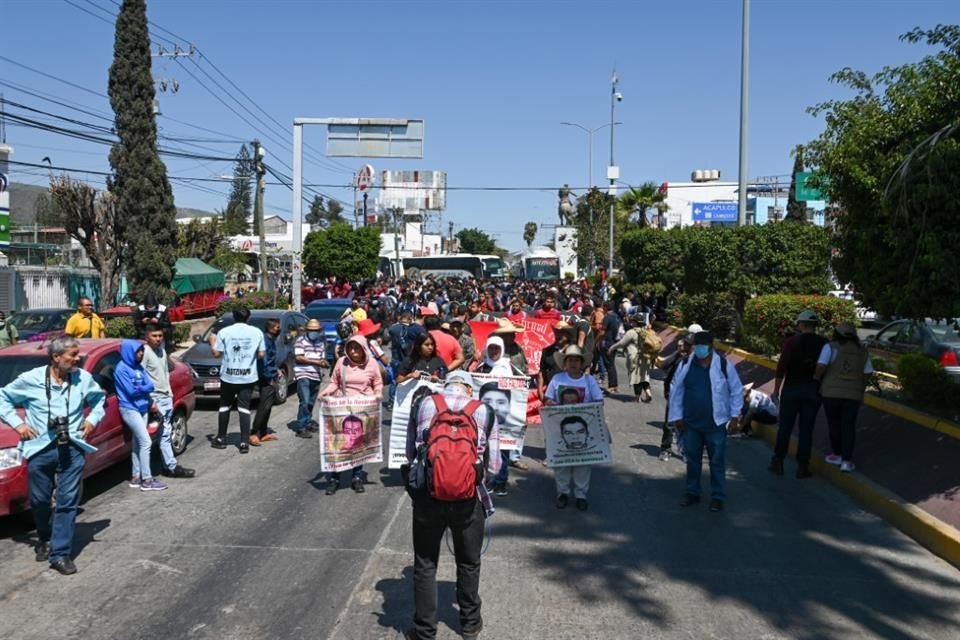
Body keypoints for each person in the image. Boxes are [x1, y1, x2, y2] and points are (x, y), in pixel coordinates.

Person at [404, 370, 498, 640]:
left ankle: (425, 631)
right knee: (469, 562)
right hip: (468, 499)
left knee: (425, 562)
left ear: (445, 386)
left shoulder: (425, 403)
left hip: (428, 497)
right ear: (470, 389)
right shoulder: (484, 410)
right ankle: (469, 625)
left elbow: (411, 452)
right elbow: (494, 466)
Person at [0, 335, 106, 575]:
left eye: (77, 353)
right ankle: (45, 538)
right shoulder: (31, 380)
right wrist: (19, 425)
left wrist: (91, 420)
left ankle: (60, 554)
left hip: (73, 447)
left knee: (67, 501)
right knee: (39, 500)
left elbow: (99, 400)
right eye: (72, 355)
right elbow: (2, 398)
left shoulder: (83, 378)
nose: (77, 358)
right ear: (56, 358)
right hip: (40, 448)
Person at [668, 331, 743, 513]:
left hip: (715, 424)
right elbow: (676, 390)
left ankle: (718, 496)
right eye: (696, 345)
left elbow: (736, 390)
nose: (699, 349)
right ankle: (692, 492)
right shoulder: (686, 364)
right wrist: (677, 416)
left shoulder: (724, 365)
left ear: (711, 346)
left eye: (702, 345)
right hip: (691, 424)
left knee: (716, 461)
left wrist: (734, 417)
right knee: (692, 460)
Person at [319, 334, 383, 494]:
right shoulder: (342, 362)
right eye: (350, 348)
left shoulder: (372, 364)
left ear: (363, 349)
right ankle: (335, 477)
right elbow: (334, 382)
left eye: (357, 348)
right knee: (339, 441)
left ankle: (357, 477)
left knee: (358, 442)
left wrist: (378, 394)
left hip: (363, 408)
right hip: (343, 406)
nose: (353, 351)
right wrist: (325, 393)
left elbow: (378, 383)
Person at [544, 345, 604, 511]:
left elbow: (599, 401)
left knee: (583, 463)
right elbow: (548, 399)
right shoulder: (557, 379)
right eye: (570, 360)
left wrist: (584, 408)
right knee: (561, 461)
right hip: (560, 427)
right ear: (565, 362)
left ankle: (581, 495)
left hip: (583, 426)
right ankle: (562, 493)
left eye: (576, 360)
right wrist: (555, 404)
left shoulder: (589, 380)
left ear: (581, 362)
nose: (573, 363)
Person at [769, 310, 828, 479]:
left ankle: (778, 461)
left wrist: (776, 391)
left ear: (800, 324)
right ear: (815, 326)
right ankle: (802, 466)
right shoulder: (824, 343)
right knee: (806, 430)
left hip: (791, 389)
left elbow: (781, 368)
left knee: (785, 428)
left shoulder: (791, 342)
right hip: (813, 390)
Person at [815, 322, 872, 472]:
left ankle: (837, 454)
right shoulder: (862, 351)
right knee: (848, 426)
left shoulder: (830, 347)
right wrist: (860, 386)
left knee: (834, 423)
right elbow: (867, 372)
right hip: (853, 394)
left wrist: (817, 378)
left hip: (831, 393)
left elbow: (821, 366)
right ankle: (846, 461)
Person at [140, 323, 195, 478]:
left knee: (165, 433)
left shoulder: (161, 351)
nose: (158, 339)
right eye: (154, 336)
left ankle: (168, 466)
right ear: (147, 337)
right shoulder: (144, 353)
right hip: (154, 399)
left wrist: (169, 395)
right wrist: (151, 402)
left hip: (165, 397)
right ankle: (149, 471)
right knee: (153, 436)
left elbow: (165, 374)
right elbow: (141, 378)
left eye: (160, 336)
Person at [474, 336, 526, 497]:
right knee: (485, 451)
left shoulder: (508, 368)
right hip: (485, 418)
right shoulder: (481, 368)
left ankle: (501, 482)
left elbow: (519, 389)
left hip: (504, 423)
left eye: (497, 348)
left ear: (502, 350)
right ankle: (487, 481)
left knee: (503, 451)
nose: (494, 352)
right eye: (491, 349)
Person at [209, 305, 265, 453]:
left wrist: (211, 341)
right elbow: (261, 354)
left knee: (224, 406)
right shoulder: (257, 332)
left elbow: (216, 354)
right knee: (244, 408)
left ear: (234, 317)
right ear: (248, 317)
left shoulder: (224, 332)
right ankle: (243, 442)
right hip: (247, 376)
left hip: (228, 377)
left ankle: (221, 438)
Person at [115, 339, 166, 492]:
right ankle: (147, 479)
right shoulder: (121, 369)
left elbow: (150, 385)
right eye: (138, 351)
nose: (141, 354)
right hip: (130, 409)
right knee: (146, 442)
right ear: (129, 351)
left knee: (137, 444)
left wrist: (141, 388)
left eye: (142, 351)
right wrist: (143, 388)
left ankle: (136, 476)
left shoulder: (138, 367)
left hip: (143, 407)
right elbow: (131, 391)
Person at [658, 332, 694, 460]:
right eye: (687, 344)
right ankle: (665, 449)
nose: (688, 347)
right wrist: (677, 354)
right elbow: (663, 365)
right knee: (669, 424)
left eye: (690, 345)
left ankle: (684, 450)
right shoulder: (680, 358)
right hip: (674, 396)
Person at [293, 319, 329, 439]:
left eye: (316, 331)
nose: (314, 332)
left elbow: (322, 359)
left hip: (316, 375)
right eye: (311, 330)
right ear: (307, 330)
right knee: (305, 400)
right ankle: (301, 427)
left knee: (311, 402)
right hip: (303, 374)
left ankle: (308, 421)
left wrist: (324, 363)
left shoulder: (320, 343)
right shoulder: (300, 341)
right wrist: (316, 362)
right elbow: (299, 358)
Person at [607, 315, 653, 403]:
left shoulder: (632, 332)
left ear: (635, 322)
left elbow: (622, 342)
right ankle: (648, 392)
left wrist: (612, 347)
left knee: (636, 377)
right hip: (645, 357)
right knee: (644, 376)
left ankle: (637, 397)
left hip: (634, 357)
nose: (631, 322)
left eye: (632, 321)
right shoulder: (647, 331)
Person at [251, 318, 282, 446]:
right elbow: (264, 362)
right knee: (264, 406)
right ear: (270, 328)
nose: (279, 329)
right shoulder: (265, 341)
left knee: (268, 405)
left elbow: (271, 360)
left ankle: (263, 432)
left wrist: (276, 370)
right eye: (277, 327)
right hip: (266, 377)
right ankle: (254, 433)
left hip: (271, 375)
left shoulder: (271, 340)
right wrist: (270, 377)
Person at [599, 301, 623, 393]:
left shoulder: (607, 317)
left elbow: (602, 332)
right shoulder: (617, 317)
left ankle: (612, 386)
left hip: (608, 343)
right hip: (615, 343)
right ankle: (615, 385)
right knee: (612, 364)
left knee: (609, 365)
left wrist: (597, 341)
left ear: (605, 307)